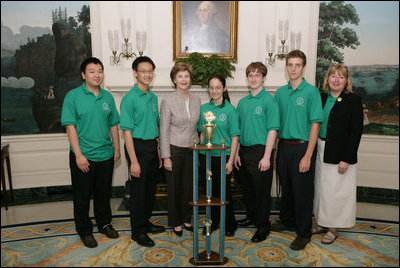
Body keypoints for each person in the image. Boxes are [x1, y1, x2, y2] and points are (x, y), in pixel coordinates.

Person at [61, 57, 120, 248]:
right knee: (82, 196)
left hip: (106, 155)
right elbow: (70, 127)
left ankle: (104, 223)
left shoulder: (107, 97)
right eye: (92, 71)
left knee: (103, 194)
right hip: (83, 155)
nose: (97, 75)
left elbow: (113, 125)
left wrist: (116, 148)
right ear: (83, 74)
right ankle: (84, 230)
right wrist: (78, 155)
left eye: (100, 70)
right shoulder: (72, 96)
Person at [272, 50, 323, 250]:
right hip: (283, 147)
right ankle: (287, 220)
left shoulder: (311, 92)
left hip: (302, 147)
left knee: (302, 192)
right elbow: (277, 123)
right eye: (290, 65)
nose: (293, 69)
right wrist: (276, 150)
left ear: (303, 67)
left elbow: (315, 125)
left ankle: (303, 232)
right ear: (286, 67)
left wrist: (308, 155)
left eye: (297, 65)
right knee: (287, 188)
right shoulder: (281, 93)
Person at [312, 63, 363, 244]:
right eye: (333, 76)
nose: (336, 80)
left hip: (340, 154)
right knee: (322, 190)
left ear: (346, 80)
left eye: (341, 77)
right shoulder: (322, 97)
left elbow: (356, 132)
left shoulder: (354, 100)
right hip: (321, 149)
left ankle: (333, 228)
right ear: (328, 79)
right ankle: (322, 223)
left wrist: (346, 159)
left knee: (336, 192)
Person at [120, 56, 165, 248]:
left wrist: (159, 151)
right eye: (143, 71)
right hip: (136, 147)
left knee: (149, 190)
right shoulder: (129, 99)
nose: (147, 74)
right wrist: (134, 161)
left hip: (151, 148)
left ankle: (145, 222)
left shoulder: (153, 97)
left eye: (150, 71)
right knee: (138, 193)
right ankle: (137, 231)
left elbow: (156, 126)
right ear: (135, 73)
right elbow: (127, 132)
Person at [234, 62, 280, 243]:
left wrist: (267, 156)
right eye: (250, 75)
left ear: (263, 78)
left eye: (257, 75)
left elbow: (272, 130)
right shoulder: (243, 103)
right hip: (243, 151)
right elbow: (237, 130)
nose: (253, 78)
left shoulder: (269, 101)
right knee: (248, 189)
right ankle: (251, 216)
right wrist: (236, 153)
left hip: (261, 151)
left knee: (261, 192)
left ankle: (263, 225)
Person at [159, 62, 201, 237]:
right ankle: (175, 221)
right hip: (174, 149)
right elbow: (163, 130)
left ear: (190, 79)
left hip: (192, 149)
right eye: (180, 76)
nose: (184, 79)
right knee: (175, 188)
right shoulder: (167, 101)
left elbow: (198, 127)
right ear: (174, 79)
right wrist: (166, 156)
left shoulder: (197, 100)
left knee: (189, 188)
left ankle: (187, 218)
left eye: (186, 76)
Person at [197, 74, 240, 237]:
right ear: (208, 89)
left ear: (224, 89)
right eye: (211, 87)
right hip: (206, 156)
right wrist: (200, 155)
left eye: (218, 87)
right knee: (209, 192)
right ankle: (213, 222)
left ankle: (229, 223)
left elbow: (235, 137)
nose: (214, 90)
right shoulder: (204, 109)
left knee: (224, 191)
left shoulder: (230, 110)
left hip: (223, 156)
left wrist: (230, 161)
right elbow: (202, 134)